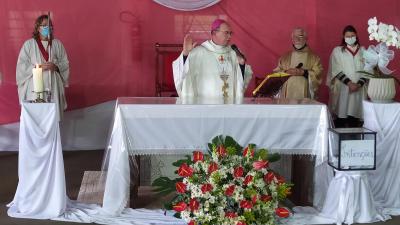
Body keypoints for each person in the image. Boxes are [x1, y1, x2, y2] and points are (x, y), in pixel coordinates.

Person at [172, 19, 253, 100]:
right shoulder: (200, 52)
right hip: (206, 104)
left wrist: (241, 65)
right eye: (226, 33)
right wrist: (186, 54)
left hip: (229, 105)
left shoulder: (233, 52)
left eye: (230, 33)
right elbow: (184, 74)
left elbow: (241, 82)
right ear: (214, 33)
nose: (229, 36)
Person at [16, 14, 69, 120]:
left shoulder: (57, 44)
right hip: (35, 86)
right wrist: (38, 67)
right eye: (44, 25)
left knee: (52, 119)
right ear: (37, 27)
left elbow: (65, 63)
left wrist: (56, 67)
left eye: (49, 25)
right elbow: (22, 65)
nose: (47, 28)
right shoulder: (29, 44)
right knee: (37, 118)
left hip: (53, 84)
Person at [327, 25, 367, 127]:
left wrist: (358, 85)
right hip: (343, 89)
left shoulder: (364, 51)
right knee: (341, 117)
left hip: (359, 89)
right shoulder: (338, 51)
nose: (350, 38)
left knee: (355, 119)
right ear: (343, 37)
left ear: (356, 35)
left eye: (352, 35)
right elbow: (335, 69)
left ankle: (355, 140)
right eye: (347, 36)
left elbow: (368, 70)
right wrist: (349, 83)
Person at [274, 28, 323, 99]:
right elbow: (276, 73)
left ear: (306, 38)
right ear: (292, 39)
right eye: (295, 37)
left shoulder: (314, 57)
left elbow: (318, 74)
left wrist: (304, 72)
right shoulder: (284, 57)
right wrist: (286, 72)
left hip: (305, 94)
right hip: (287, 95)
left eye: (300, 36)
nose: (297, 39)